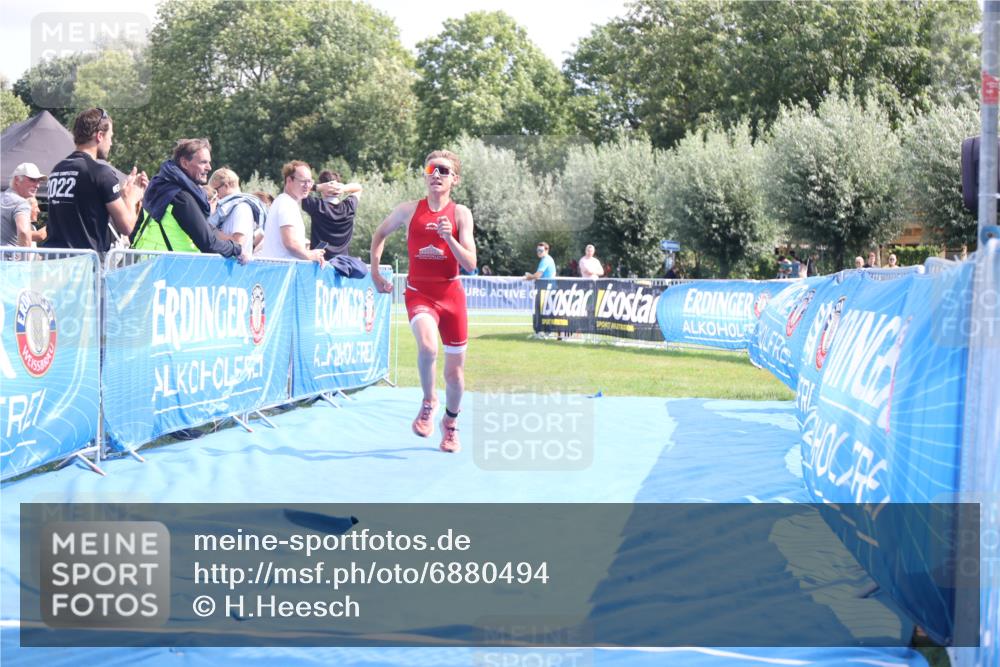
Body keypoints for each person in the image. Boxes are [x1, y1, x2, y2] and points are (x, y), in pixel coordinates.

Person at [370, 150, 476, 453]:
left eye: (444, 170)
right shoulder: (407, 210)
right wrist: (375, 272)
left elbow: (470, 263)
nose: (436, 174)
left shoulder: (460, 214)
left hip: (451, 296)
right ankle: (429, 401)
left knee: (455, 373)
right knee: (428, 347)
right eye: (432, 169)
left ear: (454, 179)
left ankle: (451, 424)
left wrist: (450, 239)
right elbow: (379, 234)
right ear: (425, 174)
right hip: (419, 292)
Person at [44, 108, 148, 254]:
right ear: (100, 136)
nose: (111, 143)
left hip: (54, 263)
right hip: (82, 266)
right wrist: (132, 197)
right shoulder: (100, 173)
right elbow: (126, 227)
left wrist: (122, 195)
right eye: (110, 137)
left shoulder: (57, 170)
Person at [133, 138, 248, 263]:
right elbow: (208, 244)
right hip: (174, 271)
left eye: (209, 162)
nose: (209, 167)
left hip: (146, 266)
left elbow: (134, 231)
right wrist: (237, 250)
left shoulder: (158, 188)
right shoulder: (181, 197)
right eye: (203, 162)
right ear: (184, 163)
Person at [256, 160, 325, 265]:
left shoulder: (284, 202)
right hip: (280, 272)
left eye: (310, 181)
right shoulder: (286, 204)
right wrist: (311, 255)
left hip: (277, 270)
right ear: (289, 180)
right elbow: (290, 243)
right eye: (303, 181)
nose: (308, 186)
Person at [208, 167, 268, 256]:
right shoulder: (229, 207)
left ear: (226, 186)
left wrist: (210, 231)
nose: (215, 195)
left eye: (215, 191)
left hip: (236, 266)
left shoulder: (241, 207)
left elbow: (238, 243)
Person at [303, 169, 363, 259]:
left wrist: (318, 187)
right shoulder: (348, 207)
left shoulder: (317, 206)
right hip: (342, 265)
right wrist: (343, 188)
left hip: (319, 264)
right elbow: (358, 188)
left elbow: (299, 189)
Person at [2, 163, 47, 247]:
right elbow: (23, 232)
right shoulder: (21, 203)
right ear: (17, 180)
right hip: (9, 258)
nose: (37, 185)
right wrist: (24, 259)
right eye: (32, 180)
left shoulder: (2, 197)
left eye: (39, 181)